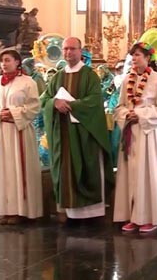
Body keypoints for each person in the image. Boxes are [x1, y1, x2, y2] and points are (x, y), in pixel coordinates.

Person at [42, 37, 114, 222]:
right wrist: (54, 103)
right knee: (65, 170)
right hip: (63, 133)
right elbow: (45, 99)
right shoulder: (57, 76)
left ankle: (91, 214)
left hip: (84, 132)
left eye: (72, 49)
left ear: (80, 51)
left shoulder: (90, 75)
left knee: (87, 167)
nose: (68, 52)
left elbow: (95, 101)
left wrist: (73, 106)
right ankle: (67, 212)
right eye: (65, 49)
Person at [113, 41, 157, 233]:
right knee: (129, 175)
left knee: (146, 175)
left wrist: (140, 115)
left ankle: (149, 218)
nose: (134, 58)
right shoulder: (126, 80)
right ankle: (132, 216)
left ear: (148, 58)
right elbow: (119, 106)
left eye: (138, 55)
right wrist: (126, 115)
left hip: (147, 132)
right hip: (130, 132)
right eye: (133, 55)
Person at [0, 50, 43, 224]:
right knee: (2, 170)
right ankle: (2, 208)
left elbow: (34, 106)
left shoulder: (28, 82)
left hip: (19, 131)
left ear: (17, 62)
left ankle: (20, 210)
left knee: (17, 169)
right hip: (1, 132)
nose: (4, 64)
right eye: (2, 61)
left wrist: (13, 113)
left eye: (7, 60)